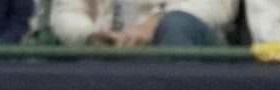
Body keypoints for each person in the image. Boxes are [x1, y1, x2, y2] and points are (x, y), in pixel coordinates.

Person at [49, 0, 240, 46]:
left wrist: (155, 23)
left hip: (176, 42)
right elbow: (66, 12)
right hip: (110, 46)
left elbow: (219, 5)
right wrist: (90, 34)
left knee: (176, 27)